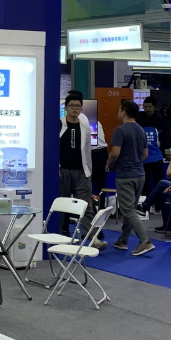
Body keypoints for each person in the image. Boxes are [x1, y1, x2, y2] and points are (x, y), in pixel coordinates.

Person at [106, 100, 155, 256]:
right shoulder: (141, 130)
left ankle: (145, 241)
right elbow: (145, 154)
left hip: (125, 175)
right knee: (130, 209)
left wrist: (108, 164)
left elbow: (115, 153)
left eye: (119, 110)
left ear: (124, 112)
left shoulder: (120, 130)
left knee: (127, 210)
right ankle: (123, 240)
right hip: (140, 174)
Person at [58, 94, 104, 249]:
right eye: (72, 106)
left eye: (78, 106)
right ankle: (61, 234)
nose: (75, 109)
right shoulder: (59, 124)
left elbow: (87, 151)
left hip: (82, 172)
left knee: (86, 206)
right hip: (63, 171)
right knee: (62, 204)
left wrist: (88, 171)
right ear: (66, 108)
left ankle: (91, 238)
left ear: (82, 109)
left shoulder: (85, 126)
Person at [136, 96, 169, 208]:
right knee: (144, 184)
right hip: (144, 158)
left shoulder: (160, 119)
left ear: (154, 107)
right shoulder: (139, 118)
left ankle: (158, 206)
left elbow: (164, 138)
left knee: (158, 183)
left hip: (157, 157)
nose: (147, 109)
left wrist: (165, 153)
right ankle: (145, 206)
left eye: (149, 107)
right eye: (145, 107)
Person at [140, 154, 171, 233]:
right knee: (162, 194)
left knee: (161, 183)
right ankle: (168, 226)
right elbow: (170, 177)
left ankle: (145, 206)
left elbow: (168, 175)